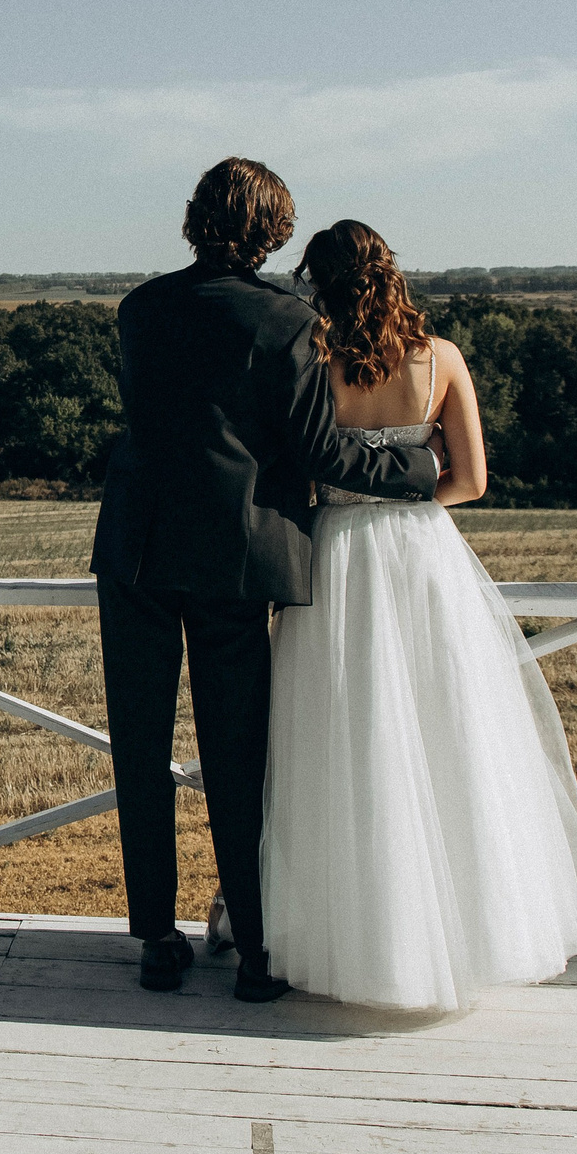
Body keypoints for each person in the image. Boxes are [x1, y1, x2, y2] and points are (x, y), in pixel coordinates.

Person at [89, 161, 442, 1000]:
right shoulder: (288, 321)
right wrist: (419, 468)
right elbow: (321, 449)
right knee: (237, 754)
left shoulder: (140, 309)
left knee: (139, 747)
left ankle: (155, 939)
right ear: (274, 233)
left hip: (135, 546)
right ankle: (253, 950)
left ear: (193, 219)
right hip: (234, 555)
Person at [257, 220, 577, 1013]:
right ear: (390, 273)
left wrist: (349, 498)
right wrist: (410, 491)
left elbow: (301, 461)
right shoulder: (441, 358)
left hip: (339, 552)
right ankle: (466, 932)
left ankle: (356, 936)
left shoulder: (311, 359)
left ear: (317, 280)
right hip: (423, 553)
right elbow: (473, 480)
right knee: (448, 728)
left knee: (344, 738)